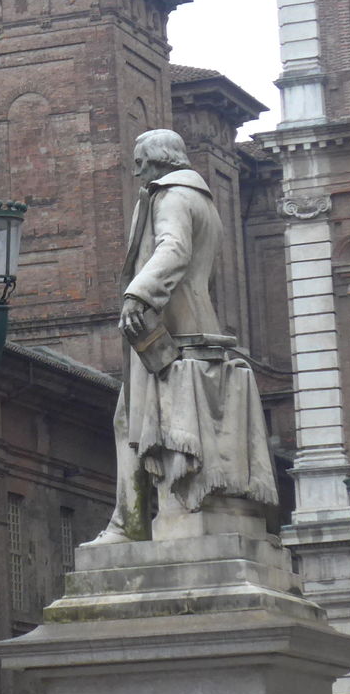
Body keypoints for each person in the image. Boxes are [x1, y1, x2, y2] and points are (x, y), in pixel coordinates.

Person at [87, 129, 277, 544]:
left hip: (170, 329)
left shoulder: (171, 196)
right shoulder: (203, 200)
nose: (137, 171)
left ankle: (132, 524)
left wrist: (139, 294)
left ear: (160, 160)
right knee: (134, 419)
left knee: (138, 421)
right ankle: (131, 520)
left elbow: (173, 249)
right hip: (196, 320)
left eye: (141, 162)